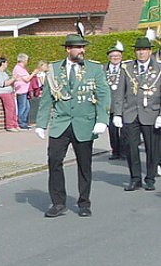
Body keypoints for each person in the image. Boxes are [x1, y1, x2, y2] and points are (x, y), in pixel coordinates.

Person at [35, 33, 110, 218]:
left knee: (84, 164)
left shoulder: (94, 68)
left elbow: (103, 94)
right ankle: (58, 203)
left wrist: (102, 119)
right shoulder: (53, 70)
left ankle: (84, 202)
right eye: (78, 47)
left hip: (84, 122)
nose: (82, 50)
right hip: (61, 122)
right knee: (54, 161)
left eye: (83, 47)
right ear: (68, 49)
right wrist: (41, 124)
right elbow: (46, 99)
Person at [112, 36, 160, 192]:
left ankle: (150, 178)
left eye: (144, 50)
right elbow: (120, 92)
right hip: (131, 113)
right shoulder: (127, 68)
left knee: (152, 148)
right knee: (131, 147)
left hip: (151, 113)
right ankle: (135, 178)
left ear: (150, 51)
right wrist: (117, 114)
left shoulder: (159, 69)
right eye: (138, 50)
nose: (141, 53)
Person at [103, 42, 126, 159]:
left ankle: (124, 151)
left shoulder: (126, 68)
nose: (115, 58)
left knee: (125, 131)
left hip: (124, 105)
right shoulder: (103, 69)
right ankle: (115, 151)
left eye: (118, 56)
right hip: (109, 106)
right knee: (112, 131)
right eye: (113, 56)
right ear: (109, 57)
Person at [0, 57, 18, 130]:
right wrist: (13, 79)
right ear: (2, 63)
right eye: (6, 63)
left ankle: (15, 124)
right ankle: (9, 126)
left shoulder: (4, 72)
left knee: (14, 108)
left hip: (9, 91)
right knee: (10, 107)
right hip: (2, 91)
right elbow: (2, 84)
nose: (7, 64)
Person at [11, 53, 33, 127]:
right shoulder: (18, 68)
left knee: (27, 107)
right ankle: (21, 123)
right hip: (21, 90)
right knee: (22, 107)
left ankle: (24, 122)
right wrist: (34, 73)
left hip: (24, 90)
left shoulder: (22, 69)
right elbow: (27, 79)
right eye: (26, 60)